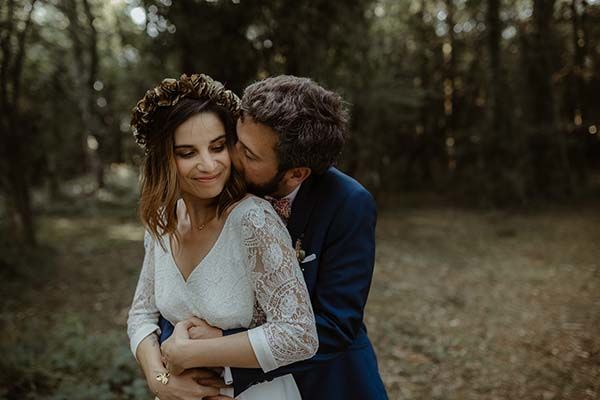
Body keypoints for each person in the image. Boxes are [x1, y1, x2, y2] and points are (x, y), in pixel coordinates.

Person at [158, 75, 389, 400]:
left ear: (297, 173)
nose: (232, 158)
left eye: (250, 155)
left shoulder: (348, 204)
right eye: (234, 140)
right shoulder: (215, 187)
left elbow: (335, 326)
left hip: (326, 384)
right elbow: (180, 286)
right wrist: (164, 371)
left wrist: (221, 345)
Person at [126, 73, 318, 400]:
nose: (209, 164)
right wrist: (159, 378)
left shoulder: (253, 221)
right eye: (187, 153)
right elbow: (141, 314)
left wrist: (193, 354)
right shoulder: (161, 222)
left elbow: (300, 335)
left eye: (217, 147)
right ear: (164, 159)